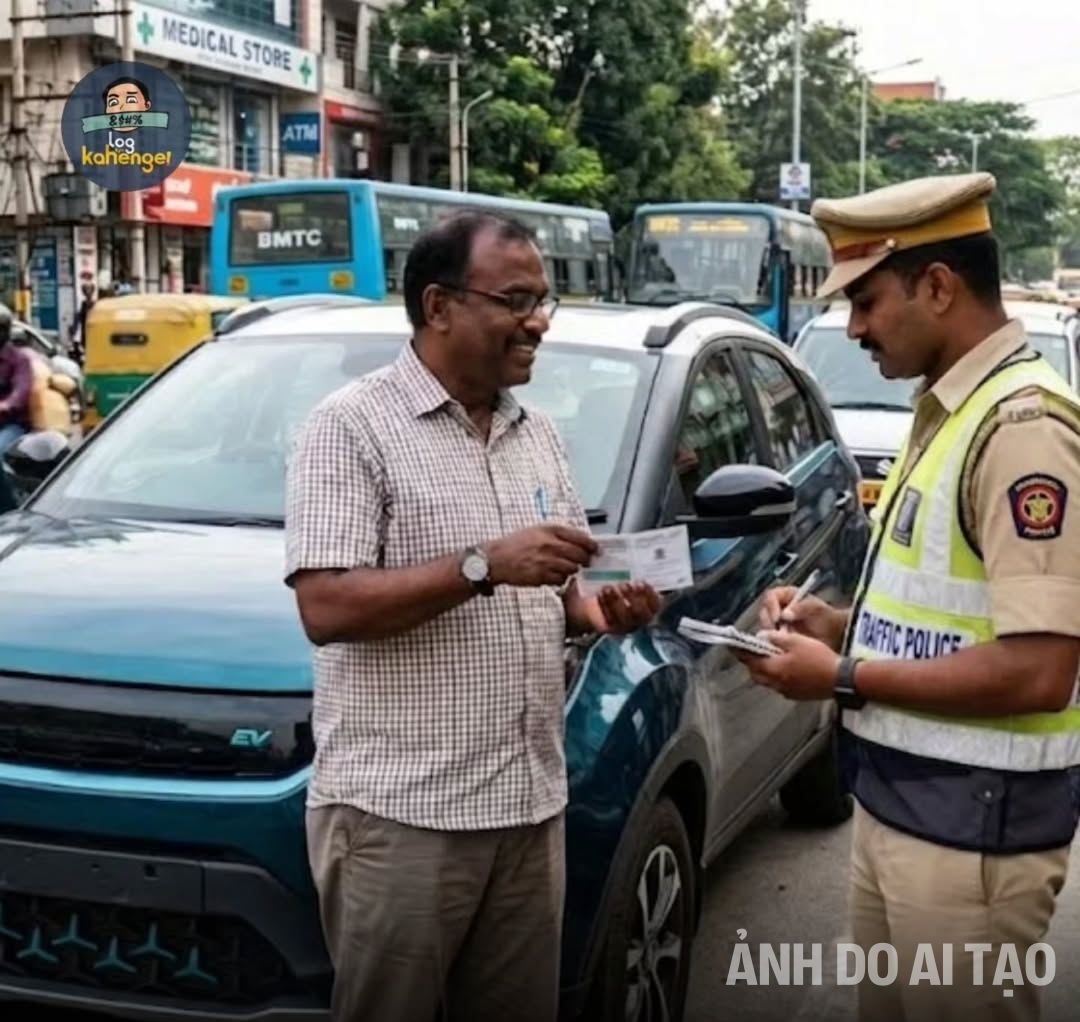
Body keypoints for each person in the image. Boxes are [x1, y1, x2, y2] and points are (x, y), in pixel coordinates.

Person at [284, 209, 661, 1022]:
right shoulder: (351, 428)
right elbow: (325, 605)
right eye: (517, 298)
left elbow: (563, 599)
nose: (540, 320)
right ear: (439, 305)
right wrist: (482, 566)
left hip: (529, 806)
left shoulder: (540, 437)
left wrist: (603, 613)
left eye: (545, 298)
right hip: (404, 819)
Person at [736, 172, 1080, 1022]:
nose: (851, 328)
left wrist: (843, 675)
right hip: (910, 808)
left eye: (866, 302)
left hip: (973, 833)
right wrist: (838, 625)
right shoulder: (950, 411)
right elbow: (954, 615)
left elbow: (1041, 670)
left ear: (938, 286)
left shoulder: (1022, 428)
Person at [0, 307, 32, 514]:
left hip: (10, 424)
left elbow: (21, 392)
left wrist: (6, 405)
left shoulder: (19, 359)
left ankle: (8, 509)